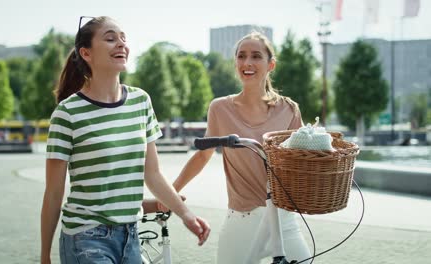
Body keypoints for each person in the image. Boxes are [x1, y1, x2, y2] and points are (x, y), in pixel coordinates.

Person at [40, 16, 210, 264]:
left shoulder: (140, 101)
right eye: (110, 39)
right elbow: (54, 193)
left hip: (130, 234)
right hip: (85, 237)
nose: (121, 44)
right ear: (86, 53)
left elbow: (152, 174)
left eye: (123, 38)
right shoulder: (67, 113)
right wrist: (45, 255)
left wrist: (186, 215)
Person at [162, 32, 311, 264]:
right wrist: (171, 192)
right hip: (242, 218)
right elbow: (203, 155)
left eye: (255, 56)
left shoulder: (289, 109)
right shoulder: (220, 108)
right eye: (241, 56)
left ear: (270, 64)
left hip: (282, 218)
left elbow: (302, 157)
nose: (247, 63)